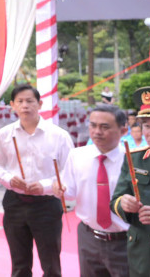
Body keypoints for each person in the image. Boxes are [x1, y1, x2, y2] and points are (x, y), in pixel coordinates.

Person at [0, 84, 73, 277]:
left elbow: (69, 171)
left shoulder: (58, 135)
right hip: (14, 202)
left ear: (40, 104)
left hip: (47, 205)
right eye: (20, 101)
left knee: (51, 264)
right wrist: (10, 179)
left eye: (29, 101)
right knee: (19, 264)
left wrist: (43, 186)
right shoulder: (5, 133)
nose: (25, 105)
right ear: (12, 105)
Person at [56, 104, 130, 277]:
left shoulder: (133, 160)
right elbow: (69, 192)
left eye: (105, 127)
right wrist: (58, 189)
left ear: (123, 130)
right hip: (89, 237)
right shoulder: (77, 155)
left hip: (124, 240)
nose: (97, 132)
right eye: (93, 125)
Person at [111, 86, 150, 277]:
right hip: (142, 253)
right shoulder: (135, 158)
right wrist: (125, 204)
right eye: (147, 126)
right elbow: (116, 201)